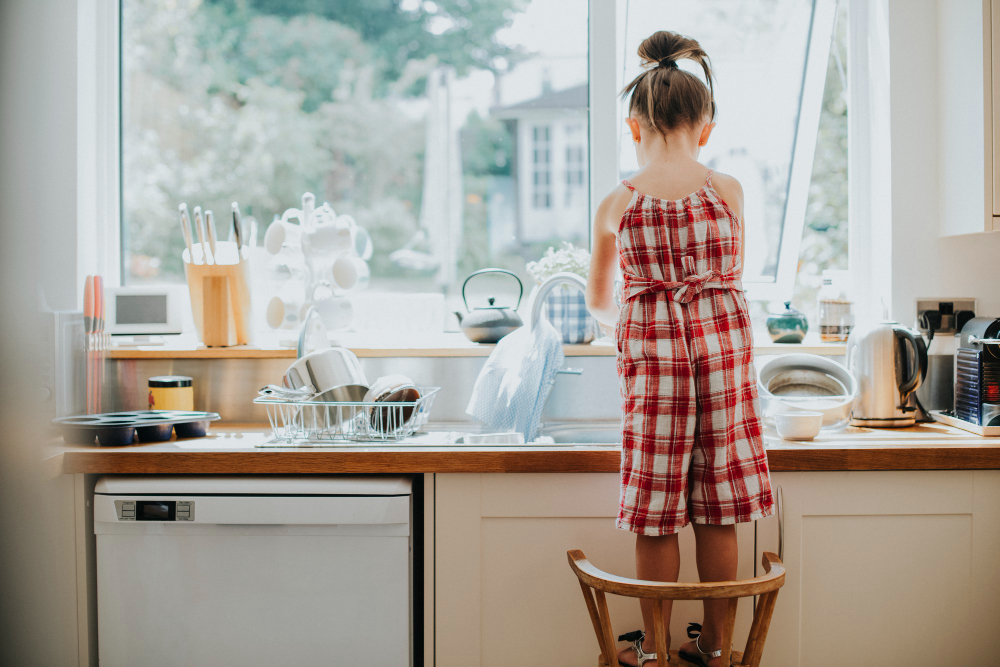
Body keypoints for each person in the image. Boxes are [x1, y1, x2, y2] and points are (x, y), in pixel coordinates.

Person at [585, 30, 774, 667]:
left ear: (633, 127)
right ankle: (719, 650)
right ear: (707, 127)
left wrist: (647, 303)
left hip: (655, 366)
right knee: (718, 508)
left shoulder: (618, 202)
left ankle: (660, 652)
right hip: (721, 360)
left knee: (656, 512)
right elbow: (734, 267)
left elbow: (597, 301)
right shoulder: (728, 191)